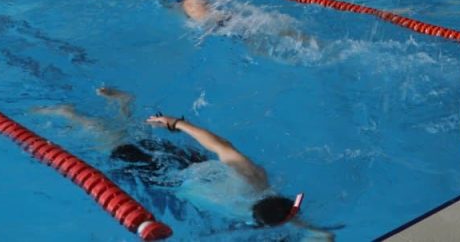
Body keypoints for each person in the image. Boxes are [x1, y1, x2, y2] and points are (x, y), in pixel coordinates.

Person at [35, 88, 311, 231]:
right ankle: (70, 114)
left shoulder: (259, 185)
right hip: (176, 174)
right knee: (112, 143)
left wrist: (313, 231)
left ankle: (123, 104)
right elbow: (222, 146)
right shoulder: (251, 192)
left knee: (130, 138)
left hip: (186, 168)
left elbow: (222, 147)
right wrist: (176, 123)